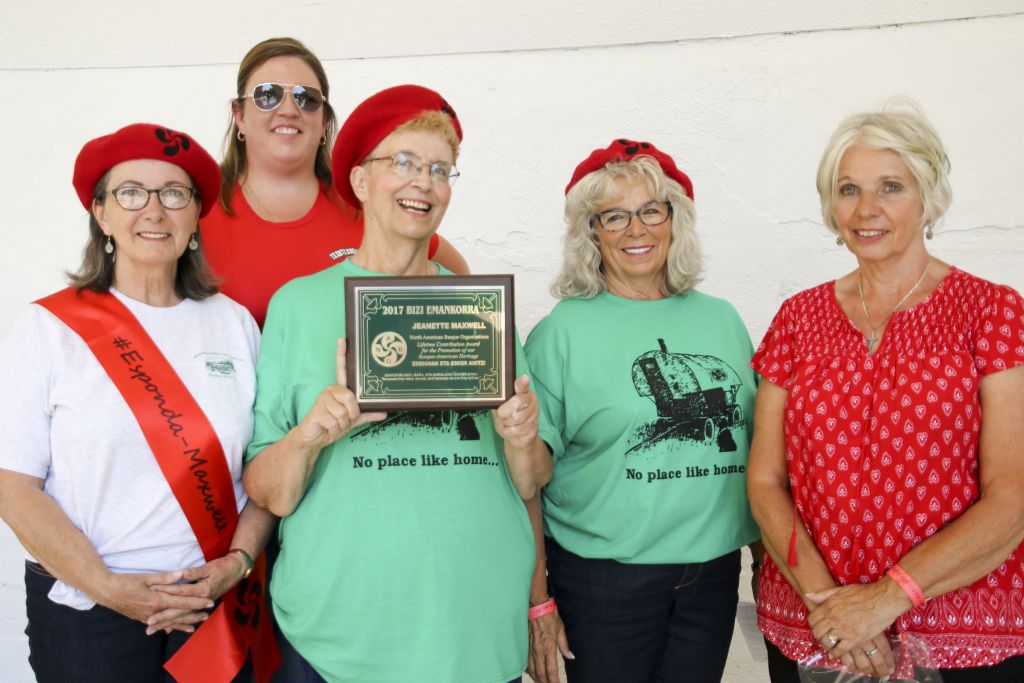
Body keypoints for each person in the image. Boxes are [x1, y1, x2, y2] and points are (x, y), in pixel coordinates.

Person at [242, 84, 555, 683]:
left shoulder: (481, 310)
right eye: (404, 162)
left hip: (474, 627)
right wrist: (310, 435)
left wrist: (522, 437)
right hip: (339, 634)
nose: (424, 183)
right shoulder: (298, 306)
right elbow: (268, 492)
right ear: (360, 181)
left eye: (440, 170)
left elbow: (531, 481)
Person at [747, 102, 1024, 683]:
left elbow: (1013, 498)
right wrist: (829, 605)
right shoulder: (798, 319)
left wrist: (884, 600)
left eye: (890, 187)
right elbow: (766, 481)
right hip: (814, 629)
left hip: (960, 637)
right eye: (848, 190)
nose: (866, 210)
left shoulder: (992, 312)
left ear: (929, 197)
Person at [0, 123, 275, 682]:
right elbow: (14, 485)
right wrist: (104, 587)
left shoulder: (234, 324)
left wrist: (236, 564)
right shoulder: (48, 329)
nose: (154, 210)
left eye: (174, 193)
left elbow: (265, 471)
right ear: (101, 214)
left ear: (196, 215)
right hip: (88, 615)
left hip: (211, 605)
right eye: (130, 192)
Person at [523, 139, 762, 683]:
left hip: (713, 576)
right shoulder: (561, 333)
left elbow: (756, 444)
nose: (637, 229)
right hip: (604, 582)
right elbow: (527, 482)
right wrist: (538, 600)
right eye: (614, 216)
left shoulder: (722, 320)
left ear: (675, 219)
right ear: (591, 232)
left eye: (652, 210)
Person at [202, 36, 468, 328]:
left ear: (325, 122)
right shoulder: (198, 210)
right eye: (268, 95)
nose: (289, 110)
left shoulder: (365, 202)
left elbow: (456, 278)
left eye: (307, 98)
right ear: (239, 115)